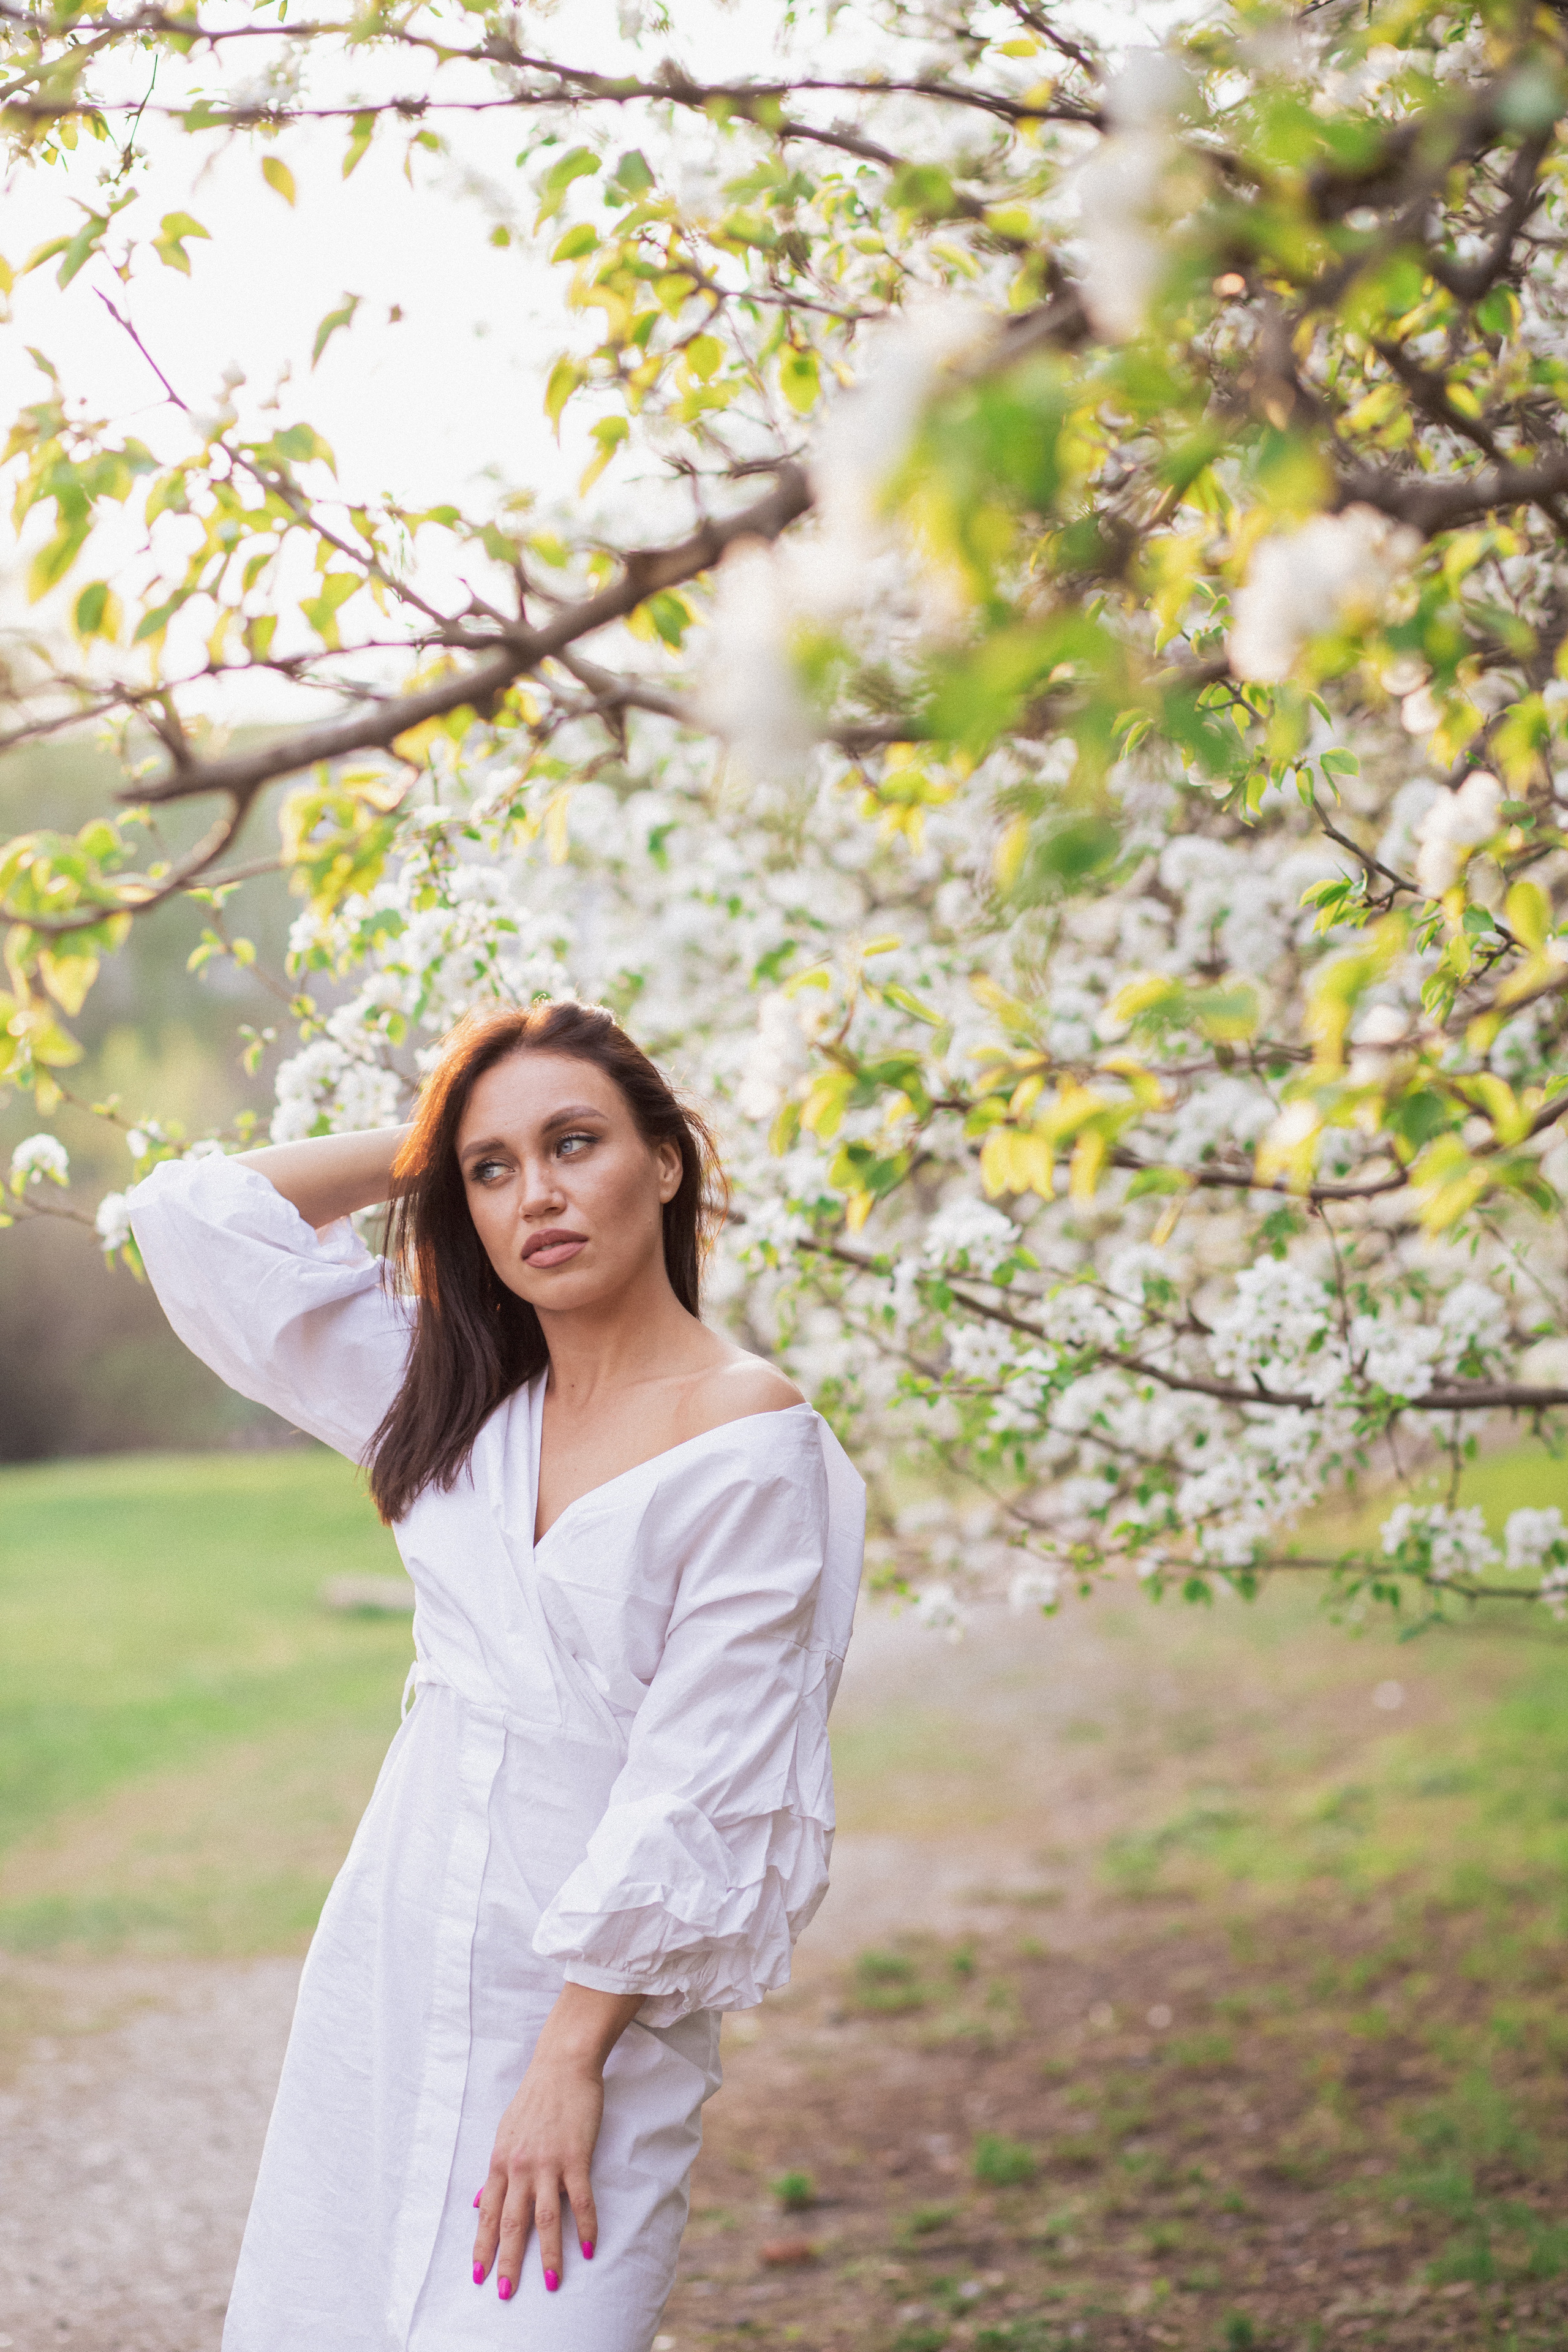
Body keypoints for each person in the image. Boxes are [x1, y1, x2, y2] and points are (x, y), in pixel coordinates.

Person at [127, 998, 865, 2352]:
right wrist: (430, 1136)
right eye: (492, 1169)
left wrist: (567, 2064)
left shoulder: (748, 1440)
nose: (537, 1195)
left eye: (574, 1144)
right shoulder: (453, 1393)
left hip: (584, 2013)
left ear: (664, 1159)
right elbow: (191, 1224)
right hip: (394, 1964)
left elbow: (698, 1782)